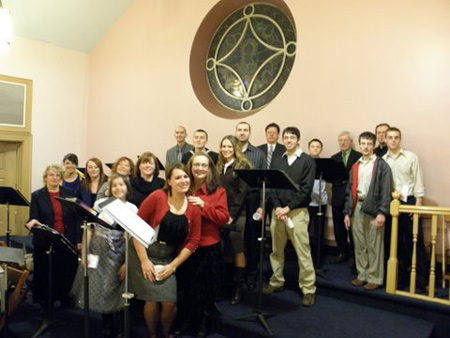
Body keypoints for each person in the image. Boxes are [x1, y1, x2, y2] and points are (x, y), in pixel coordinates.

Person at [129, 164, 201, 338]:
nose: (183, 180)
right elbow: (135, 228)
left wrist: (173, 266)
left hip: (167, 257)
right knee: (152, 300)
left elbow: (194, 241)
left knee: (169, 303)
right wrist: (144, 261)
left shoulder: (193, 206)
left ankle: (165, 333)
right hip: (143, 251)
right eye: (178, 177)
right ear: (168, 181)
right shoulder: (157, 196)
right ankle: (154, 335)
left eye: (186, 177)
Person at [71, 173, 138, 337]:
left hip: (119, 253)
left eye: (121, 185)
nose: (117, 188)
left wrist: (127, 262)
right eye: (114, 185)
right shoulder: (101, 203)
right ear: (109, 189)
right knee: (101, 286)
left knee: (116, 287)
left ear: (127, 188)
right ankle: (106, 324)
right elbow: (89, 228)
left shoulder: (132, 208)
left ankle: (119, 327)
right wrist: (85, 252)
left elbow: (132, 239)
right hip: (98, 251)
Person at [261, 127, 316, 307]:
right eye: (286, 137)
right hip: (278, 213)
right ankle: (277, 281)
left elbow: (306, 190)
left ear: (298, 140)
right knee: (276, 250)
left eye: (292, 137)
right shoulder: (279, 160)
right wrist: (278, 207)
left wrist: (287, 208)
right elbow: (273, 188)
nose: (289, 140)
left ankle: (308, 289)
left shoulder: (307, 161)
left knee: (303, 252)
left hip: (297, 213)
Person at [176, 153, 229, 337]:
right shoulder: (183, 186)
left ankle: (203, 324)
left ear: (209, 169)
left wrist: (203, 205)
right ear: (190, 167)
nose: (199, 168)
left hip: (208, 246)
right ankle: (187, 320)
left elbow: (223, 218)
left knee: (206, 289)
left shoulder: (218, 190)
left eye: (204, 165)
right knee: (187, 287)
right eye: (196, 165)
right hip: (185, 246)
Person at [25, 164, 81, 307]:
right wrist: (33, 223)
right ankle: (46, 301)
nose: (55, 178)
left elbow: (76, 219)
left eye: (57, 175)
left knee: (65, 270)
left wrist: (77, 240)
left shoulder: (68, 193)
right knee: (46, 271)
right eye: (51, 175)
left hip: (66, 239)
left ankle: (65, 298)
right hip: (46, 241)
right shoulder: (37, 195)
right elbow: (33, 218)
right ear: (45, 178)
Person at [344, 132, 393, 291]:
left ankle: (374, 277)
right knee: (359, 244)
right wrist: (347, 212)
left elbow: (386, 191)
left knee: (374, 244)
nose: (365, 147)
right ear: (359, 145)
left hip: (374, 207)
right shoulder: (355, 165)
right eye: (363, 143)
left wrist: (382, 212)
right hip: (357, 206)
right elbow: (349, 190)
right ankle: (362, 275)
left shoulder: (381, 165)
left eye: (368, 144)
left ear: (373, 146)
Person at [383, 127, 429, 289]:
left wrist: (417, 206)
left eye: (396, 137)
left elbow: (418, 181)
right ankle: (400, 278)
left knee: (414, 241)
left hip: (409, 202)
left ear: (400, 139)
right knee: (395, 242)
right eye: (390, 137)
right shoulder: (383, 160)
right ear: (386, 140)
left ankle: (423, 280)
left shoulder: (411, 157)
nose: (393, 140)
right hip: (391, 203)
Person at [217, 135, 252, 305]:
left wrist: (231, 215)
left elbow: (242, 195)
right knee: (225, 249)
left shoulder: (242, 166)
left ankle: (238, 288)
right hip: (220, 214)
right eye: (223, 146)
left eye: (229, 147)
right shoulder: (219, 166)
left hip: (237, 215)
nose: (226, 150)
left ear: (236, 148)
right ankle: (227, 284)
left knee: (237, 249)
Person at [235, 121, 266, 290]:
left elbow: (264, 183)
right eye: (239, 130)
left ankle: (251, 275)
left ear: (250, 133)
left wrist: (262, 206)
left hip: (253, 199)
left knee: (252, 239)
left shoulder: (258, 154)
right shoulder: (230, 151)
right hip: (234, 201)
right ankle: (236, 275)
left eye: (245, 130)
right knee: (235, 239)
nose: (242, 133)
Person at [330, 131, 361, 265]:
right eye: (340, 140)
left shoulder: (359, 157)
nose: (342, 143)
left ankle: (354, 256)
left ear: (351, 142)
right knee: (338, 227)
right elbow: (330, 176)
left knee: (353, 228)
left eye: (345, 140)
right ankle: (342, 252)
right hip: (337, 196)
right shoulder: (334, 157)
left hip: (352, 197)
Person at [307, 138, 328, 267]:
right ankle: (306, 257)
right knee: (305, 230)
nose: (315, 149)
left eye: (318, 147)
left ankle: (318, 259)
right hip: (307, 202)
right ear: (309, 148)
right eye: (312, 146)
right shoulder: (305, 162)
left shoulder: (325, 164)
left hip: (321, 202)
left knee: (319, 232)